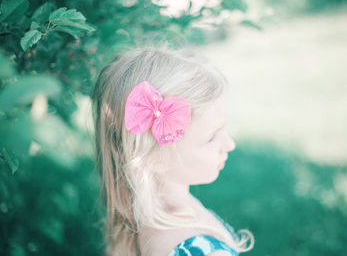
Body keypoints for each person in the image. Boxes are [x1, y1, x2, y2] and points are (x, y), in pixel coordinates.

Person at [91, 45, 254, 256]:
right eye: (211, 137)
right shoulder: (200, 250)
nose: (229, 144)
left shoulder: (151, 215)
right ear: (154, 158)